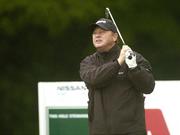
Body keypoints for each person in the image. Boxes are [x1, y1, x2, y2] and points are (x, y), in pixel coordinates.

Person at [79, 18, 155, 135]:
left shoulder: (134, 58)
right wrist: (118, 62)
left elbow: (148, 87)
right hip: (99, 131)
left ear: (114, 37)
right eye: (95, 33)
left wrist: (134, 68)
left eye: (102, 32)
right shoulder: (88, 62)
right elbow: (94, 79)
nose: (97, 36)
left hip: (131, 131)